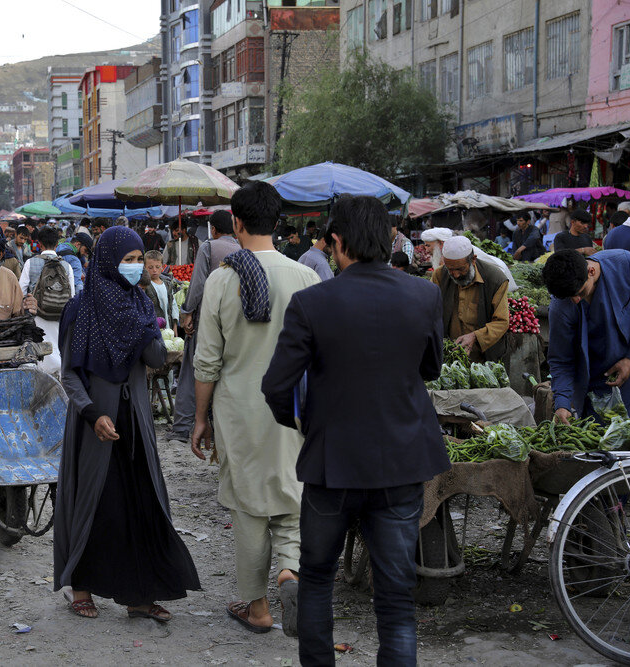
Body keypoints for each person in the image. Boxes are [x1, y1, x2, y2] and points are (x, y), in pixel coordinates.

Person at [261, 194, 450, 662]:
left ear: (336, 242)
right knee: (396, 593)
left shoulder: (311, 303)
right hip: (402, 463)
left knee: (318, 578)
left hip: (332, 466)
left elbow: (276, 385)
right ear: (388, 239)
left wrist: (302, 425)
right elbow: (431, 369)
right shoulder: (424, 293)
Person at [191, 180, 319, 635]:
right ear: (278, 222)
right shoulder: (306, 276)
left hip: (239, 410)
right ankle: (289, 569)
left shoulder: (223, 279)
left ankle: (259, 607)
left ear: (237, 223)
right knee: (289, 493)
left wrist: (200, 420)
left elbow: (206, 360)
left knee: (247, 507)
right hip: (296, 407)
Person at [54, 226, 200, 621]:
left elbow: (155, 360)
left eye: (140, 261)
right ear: (107, 262)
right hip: (93, 423)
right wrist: (91, 413)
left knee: (139, 502)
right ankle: (80, 587)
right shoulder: (80, 308)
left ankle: (139, 595)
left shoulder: (140, 303)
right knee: (94, 503)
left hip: (133, 421)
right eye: (128, 261)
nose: (136, 269)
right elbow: (69, 374)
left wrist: (148, 326)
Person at [171, 210, 240, 440]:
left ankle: (182, 428)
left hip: (205, 322)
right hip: (231, 324)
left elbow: (198, 284)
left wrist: (186, 312)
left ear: (213, 230)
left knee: (192, 372)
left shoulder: (208, 247)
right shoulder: (242, 250)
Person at [543, 249, 630, 423]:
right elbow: (561, 359)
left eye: (580, 292)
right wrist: (562, 403)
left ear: (591, 271)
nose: (576, 300)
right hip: (598, 384)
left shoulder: (624, 264)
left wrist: (629, 358)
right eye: (570, 297)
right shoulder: (561, 304)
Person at [431, 236, 509, 363]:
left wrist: (475, 336)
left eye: (460, 269)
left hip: (484, 356)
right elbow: (431, 310)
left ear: (473, 260)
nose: (455, 275)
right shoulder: (440, 275)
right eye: (450, 269)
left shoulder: (495, 279)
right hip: (450, 354)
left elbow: (501, 322)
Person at [19, 227, 76, 375]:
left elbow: (21, 291)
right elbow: (72, 295)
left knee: (40, 348)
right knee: (58, 348)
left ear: (39, 244)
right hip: (60, 316)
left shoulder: (31, 263)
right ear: (57, 244)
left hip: (37, 315)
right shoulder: (66, 266)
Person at [422, 227, 519, 291]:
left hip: (497, 283)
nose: (426, 249)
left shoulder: (459, 252)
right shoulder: (448, 253)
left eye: (428, 245)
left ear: (441, 243)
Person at [140, 250, 179, 328]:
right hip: (154, 327)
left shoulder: (168, 284)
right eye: (150, 267)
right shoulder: (145, 286)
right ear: (144, 267)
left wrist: (175, 324)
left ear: (162, 267)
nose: (154, 270)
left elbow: (173, 304)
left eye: (157, 267)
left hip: (169, 326)